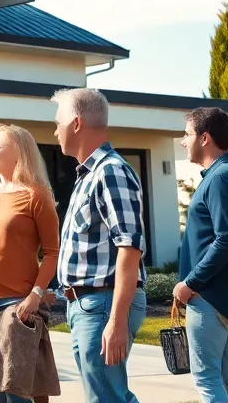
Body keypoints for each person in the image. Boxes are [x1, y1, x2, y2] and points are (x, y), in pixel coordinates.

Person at [51, 87, 148, 403]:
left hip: (102, 305)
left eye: (58, 122)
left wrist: (117, 321)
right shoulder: (88, 175)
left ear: (76, 123)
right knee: (105, 395)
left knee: (107, 397)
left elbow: (130, 248)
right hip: (86, 304)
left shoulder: (110, 171)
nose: (55, 131)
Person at [0, 124, 61, 403]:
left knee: (19, 390)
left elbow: (52, 253)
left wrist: (36, 295)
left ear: (18, 153)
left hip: (17, 302)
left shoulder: (37, 194)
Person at [174, 107, 228, 403]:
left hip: (210, 299)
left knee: (208, 380)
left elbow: (227, 239)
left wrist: (191, 283)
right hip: (227, 299)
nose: (183, 141)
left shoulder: (221, 178)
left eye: (187, 134)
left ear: (205, 137)